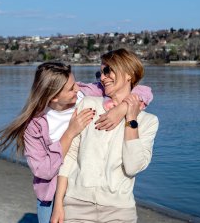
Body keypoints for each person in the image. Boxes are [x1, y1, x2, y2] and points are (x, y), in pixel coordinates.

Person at [0, 61, 153, 223]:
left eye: (74, 83)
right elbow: (44, 171)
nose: (78, 88)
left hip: (82, 191)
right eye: (71, 88)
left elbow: (143, 91)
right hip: (53, 193)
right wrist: (69, 133)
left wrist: (122, 109)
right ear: (54, 96)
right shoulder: (35, 126)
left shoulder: (84, 95)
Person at [51, 49, 159, 223]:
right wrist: (58, 205)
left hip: (120, 211)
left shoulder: (148, 122)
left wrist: (130, 118)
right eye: (100, 73)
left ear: (129, 74)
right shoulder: (88, 104)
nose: (102, 77)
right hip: (76, 205)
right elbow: (70, 157)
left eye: (107, 71)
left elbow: (132, 167)